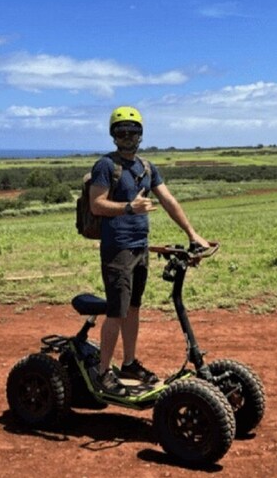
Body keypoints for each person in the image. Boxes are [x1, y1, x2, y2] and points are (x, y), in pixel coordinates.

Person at [89, 105, 210, 395]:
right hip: (117, 249)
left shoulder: (146, 167)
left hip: (140, 248)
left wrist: (192, 234)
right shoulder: (106, 166)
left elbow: (168, 200)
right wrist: (130, 207)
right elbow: (97, 204)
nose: (128, 136)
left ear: (141, 134)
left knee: (133, 309)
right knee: (116, 312)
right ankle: (103, 374)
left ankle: (129, 363)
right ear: (113, 136)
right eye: (122, 132)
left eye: (133, 131)